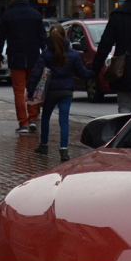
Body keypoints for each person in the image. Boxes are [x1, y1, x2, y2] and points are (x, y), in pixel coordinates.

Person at [27, 24, 94, 161]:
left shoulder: (46, 54)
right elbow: (83, 73)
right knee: (64, 120)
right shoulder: (73, 54)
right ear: (65, 36)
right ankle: (64, 149)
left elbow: (36, 73)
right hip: (66, 91)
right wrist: (94, 72)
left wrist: (30, 90)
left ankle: (44, 145)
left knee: (46, 117)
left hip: (51, 91)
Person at [0, 0, 48, 134]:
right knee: (32, 88)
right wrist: (46, 55)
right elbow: (42, 37)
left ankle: (23, 123)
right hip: (33, 56)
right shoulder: (35, 15)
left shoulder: (7, 15)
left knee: (18, 91)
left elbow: (0, 37)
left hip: (15, 57)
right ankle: (32, 120)